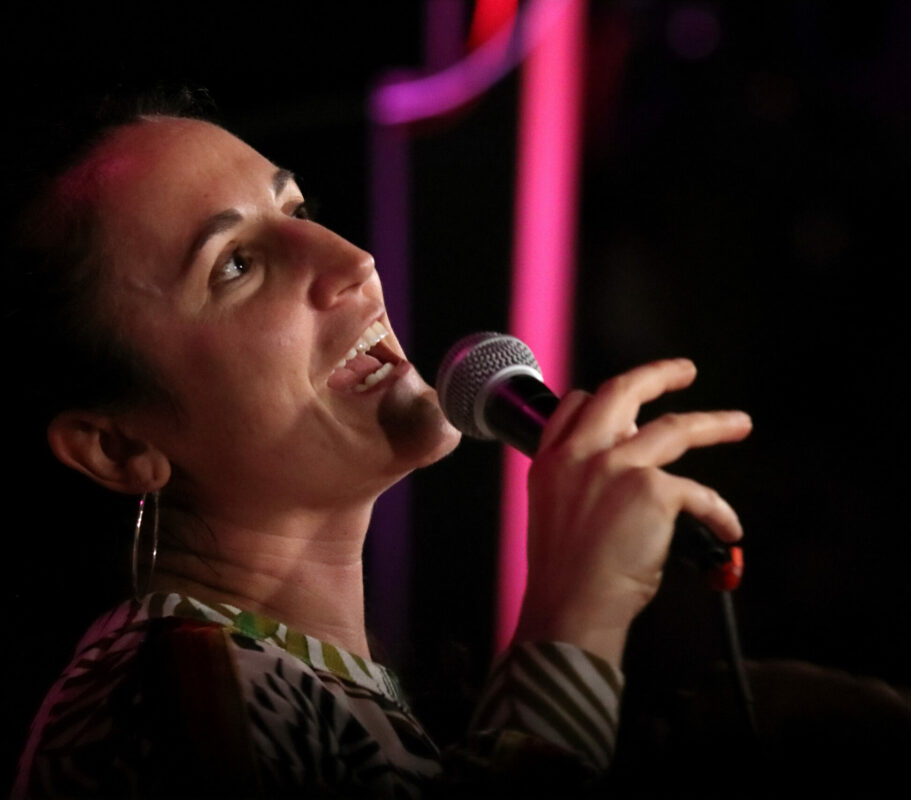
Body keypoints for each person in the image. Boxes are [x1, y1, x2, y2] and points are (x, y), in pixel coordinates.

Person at [5, 91, 752, 798]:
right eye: (236, 264)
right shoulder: (153, 703)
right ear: (115, 446)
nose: (353, 262)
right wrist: (577, 616)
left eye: (297, 210)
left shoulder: (291, 678)